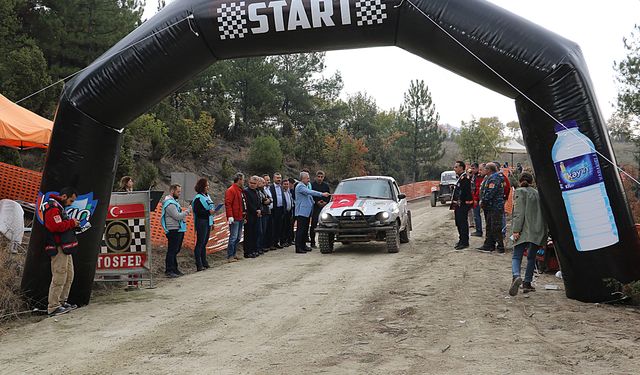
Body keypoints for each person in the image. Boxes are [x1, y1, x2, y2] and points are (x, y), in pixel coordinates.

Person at [43, 187, 80, 317]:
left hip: (65, 246)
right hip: (58, 247)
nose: (71, 203)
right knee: (59, 275)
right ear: (64, 196)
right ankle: (53, 306)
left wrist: (71, 224)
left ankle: (61, 302)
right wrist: (71, 223)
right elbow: (55, 227)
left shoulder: (58, 206)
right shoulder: (52, 207)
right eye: (71, 200)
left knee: (69, 274)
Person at [509, 172, 548, 295]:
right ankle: (527, 283)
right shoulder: (538, 194)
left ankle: (516, 276)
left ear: (520, 181)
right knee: (531, 258)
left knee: (516, 256)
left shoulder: (520, 192)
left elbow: (519, 213)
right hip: (537, 230)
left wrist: (516, 230)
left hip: (523, 230)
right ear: (532, 182)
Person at [294, 171, 330, 254]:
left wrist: (314, 202)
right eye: (307, 178)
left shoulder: (305, 186)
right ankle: (298, 247)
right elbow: (310, 192)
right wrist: (322, 194)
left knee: (305, 229)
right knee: (300, 230)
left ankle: (303, 245)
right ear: (302, 179)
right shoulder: (300, 186)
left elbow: (310, 196)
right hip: (301, 212)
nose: (309, 180)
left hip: (306, 212)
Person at [161, 184, 191, 277]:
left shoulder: (174, 202)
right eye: (178, 192)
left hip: (178, 229)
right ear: (172, 191)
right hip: (173, 229)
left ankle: (174, 269)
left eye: (180, 192)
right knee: (172, 250)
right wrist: (188, 211)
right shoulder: (170, 203)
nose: (179, 194)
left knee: (175, 250)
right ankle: (169, 270)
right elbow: (177, 216)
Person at [477, 163, 505, 253]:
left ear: (489, 169)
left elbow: (490, 193)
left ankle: (500, 247)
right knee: (489, 226)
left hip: (495, 207)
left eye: (485, 168)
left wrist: (483, 201)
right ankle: (489, 245)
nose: (483, 170)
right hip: (490, 206)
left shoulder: (494, 178)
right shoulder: (489, 178)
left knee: (495, 227)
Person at [192, 178, 215, 271]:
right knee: (200, 243)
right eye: (206, 186)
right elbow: (198, 211)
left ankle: (204, 262)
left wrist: (212, 221)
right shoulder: (198, 198)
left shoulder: (207, 196)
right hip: (201, 221)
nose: (208, 187)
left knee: (204, 243)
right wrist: (208, 212)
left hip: (208, 221)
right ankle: (199, 264)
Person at [451, 161, 473, 250]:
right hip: (458, 204)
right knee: (459, 222)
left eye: (456, 167)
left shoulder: (465, 178)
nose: (454, 169)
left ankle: (465, 242)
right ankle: (461, 239)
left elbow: (465, 192)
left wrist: (461, 201)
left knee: (462, 223)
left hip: (463, 204)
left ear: (461, 168)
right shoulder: (460, 178)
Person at [225, 172, 245, 262]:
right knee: (233, 237)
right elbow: (228, 204)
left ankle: (234, 253)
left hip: (240, 217)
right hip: (235, 217)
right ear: (239, 179)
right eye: (243, 180)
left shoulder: (240, 190)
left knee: (237, 237)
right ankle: (230, 256)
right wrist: (230, 216)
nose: (244, 181)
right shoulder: (231, 190)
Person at [310, 170, 330, 248]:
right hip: (315, 206)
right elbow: (311, 195)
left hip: (324, 207)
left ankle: (327, 241)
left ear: (323, 178)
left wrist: (325, 202)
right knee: (314, 224)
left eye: (321, 177)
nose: (320, 178)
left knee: (325, 223)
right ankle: (312, 242)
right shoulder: (312, 185)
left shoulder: (326, 186)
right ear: (316, 177)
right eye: (318, 177)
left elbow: (328, 196)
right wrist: (316, 202)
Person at [243, 176, 261, 258]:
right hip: (249, 215)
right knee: (248, 234)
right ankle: (248, 252)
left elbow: (259, 202)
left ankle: (254, 250)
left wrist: (259, 210)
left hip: (256, 215)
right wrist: (255, 211)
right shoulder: (246, 191)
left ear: (257, 184)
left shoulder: (257, 191)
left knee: (255, 233)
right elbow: (248, 204)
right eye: (251, 183)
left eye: (254, 183)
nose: (252, 185)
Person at [269, 173, 286, 249]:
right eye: (277, 178)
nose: (279, 179)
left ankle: (276, 242)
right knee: (273, 227)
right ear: (274, 179)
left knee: (279, 227)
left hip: (280, 209)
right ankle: (271, 243)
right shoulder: (271, 188)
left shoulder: (281, 187)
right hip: (274, 210)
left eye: (280, 178)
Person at [471, 163, 485, 237]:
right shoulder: (474, 176)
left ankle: (479, 231)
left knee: (477, 215)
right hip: (475, 198)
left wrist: (476, 199)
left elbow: (478, 189)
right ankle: (478, 230)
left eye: (473, 168)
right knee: (475, 215)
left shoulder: (480, 177)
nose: (472, 170)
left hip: (478, 198)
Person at [281, 178, 294, 247]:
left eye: (287, 184)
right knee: (284, 227)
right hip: (284, 212)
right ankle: (283, 241)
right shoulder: (281, 192)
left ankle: (289, 240)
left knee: (289, 227)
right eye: (285, 184)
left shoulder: (289, 192)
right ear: (282, 185)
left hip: (289, 211)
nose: (286, 186)